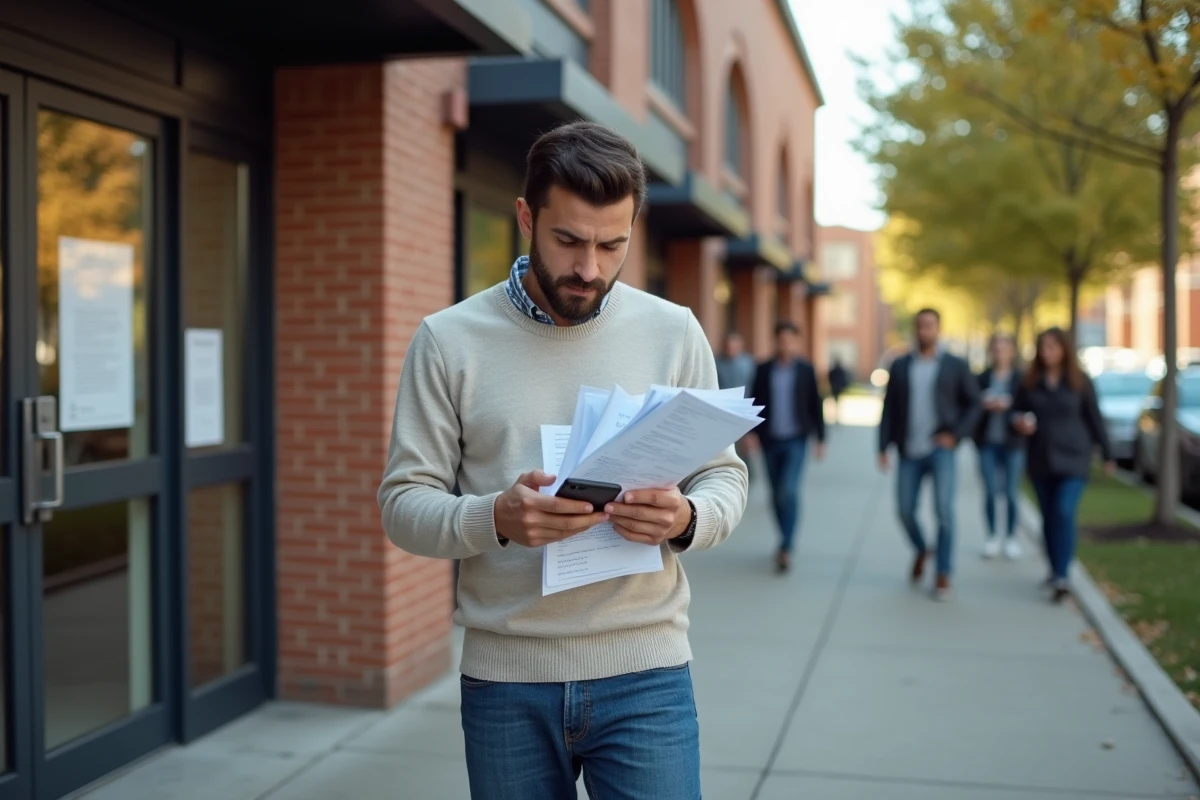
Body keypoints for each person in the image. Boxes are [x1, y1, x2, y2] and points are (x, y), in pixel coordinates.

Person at [378, 121, 747, 800]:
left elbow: (723, 473)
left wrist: (687, 517)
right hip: (506, 681)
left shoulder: (674, 331)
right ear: (526, 217)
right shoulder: (448, 341)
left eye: (613, 245)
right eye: (569, 241)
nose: (590, 269)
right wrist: (495, 517)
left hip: (647, 672)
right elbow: (403, 504)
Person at [878, 308, 981, 601]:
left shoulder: (955, 366)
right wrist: (882, 447)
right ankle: (923, 548)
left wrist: (956, 435)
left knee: (944, 512)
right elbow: (889, 409)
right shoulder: (899, 366)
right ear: (915, 330)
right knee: (905, 510)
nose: (925, 331)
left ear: (938, 329)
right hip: (908, 450)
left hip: (940, 450)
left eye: (930, 326)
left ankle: (943, 574)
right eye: (921, 326)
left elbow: (974, 404)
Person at [1012, 327, 1113, 604]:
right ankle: (1055, 568)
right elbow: (1016, 411)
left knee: (1064, 510)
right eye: (1043, 347)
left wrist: (1107, 453)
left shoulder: (1080, 382)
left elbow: (1094, 417)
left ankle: (1063, 575)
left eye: (1053, 347)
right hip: (1041, 458)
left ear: (1064, 350)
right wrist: (1019, 422)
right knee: (1048, 516)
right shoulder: (1030, 381)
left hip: (1074, 457)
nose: (1048, 353)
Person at [752, 321, 826, 573]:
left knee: (789, 490)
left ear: (796, 342)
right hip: (770, 440)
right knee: (775, 494)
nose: (785, 344)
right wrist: (751, 432)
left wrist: (821, 438)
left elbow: (816, 404)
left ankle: (786, 545)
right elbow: (755, 401)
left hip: (797, 439)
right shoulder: (763, 369)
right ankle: (784, 539)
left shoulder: (805, 370)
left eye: (790, 340)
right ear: (775, 341)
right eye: (781, 339)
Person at [973, 333, 1025, 560]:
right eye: (996, 348)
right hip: (987, 443)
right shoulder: (982, 378)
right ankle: (992, 536)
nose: (1000, 353)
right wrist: (985, 404)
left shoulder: (1021, 380)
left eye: (1004, 348)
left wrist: (1010, 408)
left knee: (1012, 493)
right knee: (991, 492)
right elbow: (971, 407)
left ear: (1012, 351)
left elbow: (1029, 406)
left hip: (1013, 443)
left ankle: (1011, 537)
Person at [716, 331, 759, 479]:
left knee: (744, 450)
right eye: (728, 345)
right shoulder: (717, 364)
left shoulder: (748, 364)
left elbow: (754, 390)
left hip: (743, 412)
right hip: (723, 413)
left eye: (734, 345)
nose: (731, 348)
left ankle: (745, 476)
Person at [828, 359, 850, 423]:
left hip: (835, 388)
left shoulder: (835, 371)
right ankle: (836, 416)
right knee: (836, 402)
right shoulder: (838, 371)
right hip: (837, 388)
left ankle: (836, 416)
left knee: (836, 402)